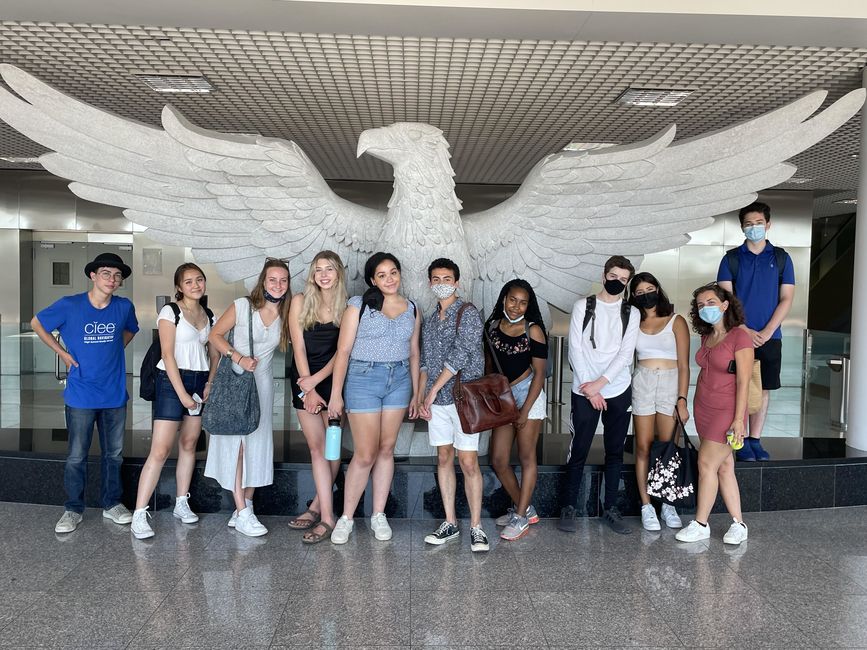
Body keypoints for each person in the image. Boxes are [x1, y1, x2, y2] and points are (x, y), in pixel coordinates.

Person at [31, 252, 139, 533]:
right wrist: (63, 354)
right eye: (106, 273)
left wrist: (115, 349)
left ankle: (112, 504)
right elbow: (37, 323)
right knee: (76, 455)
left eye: (117, 276)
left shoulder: (124, 307)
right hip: (80, 395)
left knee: (113, 455)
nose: (112, 279)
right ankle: (73, 509)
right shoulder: (70, 305)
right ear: (93, 275)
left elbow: (131, 330)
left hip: (114, 395)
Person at [327, 252, 421, 545]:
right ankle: (347, 518)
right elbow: (342, 352)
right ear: (372, 279)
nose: (389, 279)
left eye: (393, 272)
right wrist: (335, 396)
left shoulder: (412, 308)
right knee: (365, 453)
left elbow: (415, 352)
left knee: (386, 448)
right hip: (363, 379)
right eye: (382, 275)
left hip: (400, 379)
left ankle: (378, 514)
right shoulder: (358, 305)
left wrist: (417, 393)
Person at [131, 263, 219, 539]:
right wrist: (181, 394)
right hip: (171, 381)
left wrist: (210, 383)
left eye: (199, 280)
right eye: (189, 281)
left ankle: (182, 502)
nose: (195, 285)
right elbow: (168, 354)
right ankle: (139, 513)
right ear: (179, 287)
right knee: (160, 449)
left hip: (199, 379)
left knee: (189, 444)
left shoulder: (209, 314)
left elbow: (213, 354)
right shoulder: (171, 311)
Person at [205, 259, 291, 537]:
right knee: (237, 445)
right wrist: (237, 356)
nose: (278, 285)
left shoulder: (288, 314)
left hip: (263, 386)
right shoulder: (243, 306)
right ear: (263, 282)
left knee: (256, 445)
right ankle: (241, 511)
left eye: (283, 280)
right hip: (236, 381)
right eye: (272, 279)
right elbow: (214, 335)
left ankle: (246, 505)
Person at [559, 255, 640, 535]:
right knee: (578, 448)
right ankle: (568, 506)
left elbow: (626, 354)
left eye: (624, 279)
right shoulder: (584, 306)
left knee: (615, 451)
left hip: (617, 389)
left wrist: (601, 384)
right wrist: (588, 387)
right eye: (614, 276)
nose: (618, 282)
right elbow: (576, 349)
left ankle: (611, 509)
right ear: (604, 275)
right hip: (584, 390)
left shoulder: (631, 313)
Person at [418, 259, 489, 552]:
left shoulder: (468, 313)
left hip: (464, 400)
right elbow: (425, 361)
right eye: (436, 278)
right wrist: (423, 395)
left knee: (468, 461)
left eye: (447, 278)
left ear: (457, 282)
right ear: (430, 283)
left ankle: (476, 527)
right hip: (438, 403)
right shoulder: (431, 318)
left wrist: (433, 389)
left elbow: (461, 354)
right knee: (444, 457)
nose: (441, 283)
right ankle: (450, 522)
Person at [717, 201, 795, 461]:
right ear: (742, 227)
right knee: (737, 386)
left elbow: (786, 298)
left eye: (759, 223)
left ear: (768, 224)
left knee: (763, 389)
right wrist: (744, 330)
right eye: (749, 224)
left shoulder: (782, 258)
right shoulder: (731, 259)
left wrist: (768, 330)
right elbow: (723, 301)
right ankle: (737, 438)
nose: (754, 228)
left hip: (770, 337)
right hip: (738, 337)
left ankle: (754, 439)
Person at [675, 283, 751, 545]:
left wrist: (739, 419)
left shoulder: (740, 337)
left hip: (727, 412)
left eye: (710, 302)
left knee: (706, 463)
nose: (705, 307)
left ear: (724, 305)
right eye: (700, 304)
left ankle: (700, 523)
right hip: (704, 409)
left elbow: (744, 381)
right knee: (724, 467)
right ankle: (738, 524)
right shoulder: (706, 337)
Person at [287, 251, 347, 544]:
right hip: (302, 377)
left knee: (332, 449)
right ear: (312, 274)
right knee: (316, 448)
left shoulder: (347, 306)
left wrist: (319, 383)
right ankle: (327, 517)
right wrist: (307, 389)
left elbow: (343, 352)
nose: (324, 274)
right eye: (319, 269)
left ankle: (316, 506)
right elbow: (298, 347)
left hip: (333, 381)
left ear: (338, 274)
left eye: (330, 269)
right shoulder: (299, 300)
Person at [486, 279, 548, 542]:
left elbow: (540, 374)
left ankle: (520, 517)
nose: (516, 306)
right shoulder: (492, 327)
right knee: (498, 459)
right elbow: (490, 369)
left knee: (526, 457)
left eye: (523, 302)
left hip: (527, 395)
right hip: (502, 396)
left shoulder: (532, 330)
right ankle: (525, 508)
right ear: (504, 299)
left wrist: (524, 411)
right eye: (513, 300)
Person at [628, 272, 690, 532]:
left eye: (649, 289)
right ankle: (646, 506)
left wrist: (683, 400)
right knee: (642, 447)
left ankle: (667, 503)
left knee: (667, 447)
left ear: (658, 289)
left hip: (670, 383)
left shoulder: (676, 321)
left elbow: (685, 366)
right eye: (639, 292)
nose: (645, 295)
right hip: (642, 381)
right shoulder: (633, 322)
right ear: (633, 297)